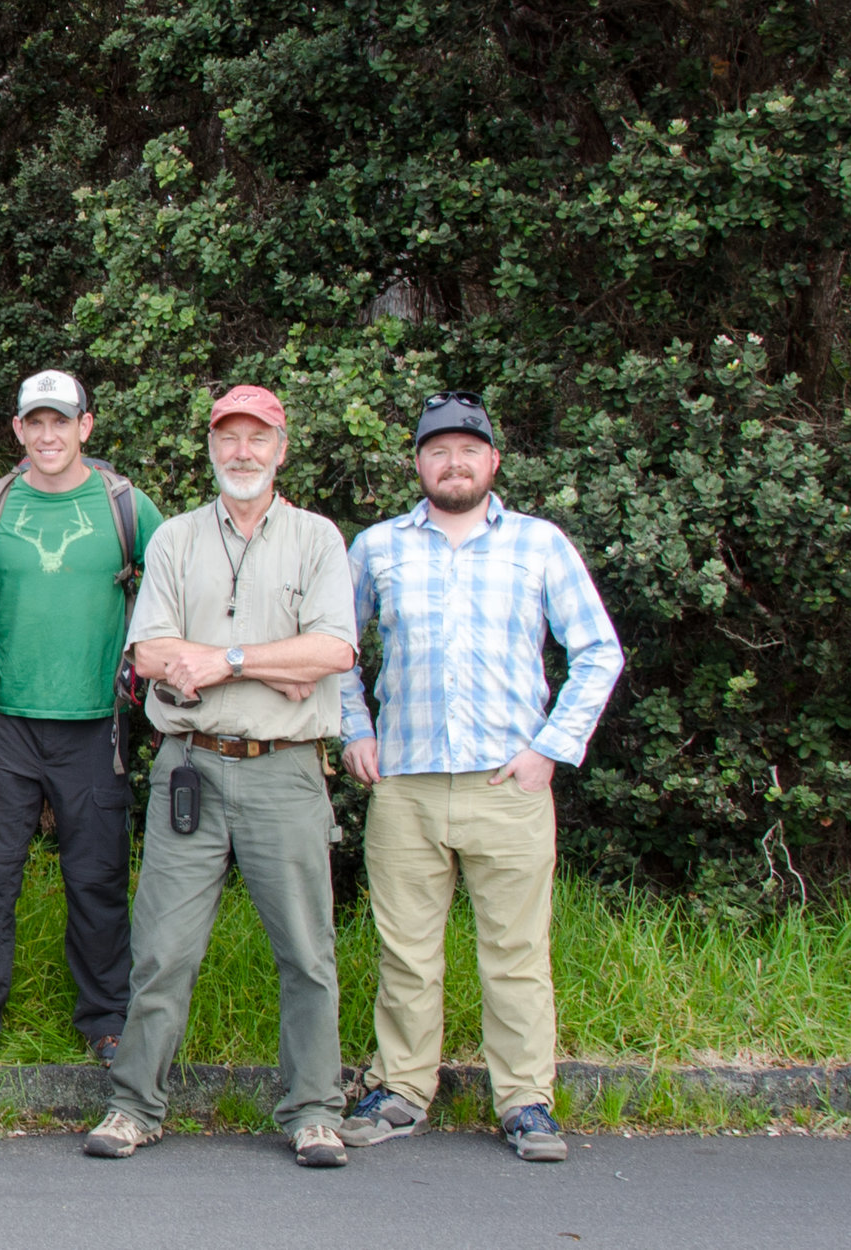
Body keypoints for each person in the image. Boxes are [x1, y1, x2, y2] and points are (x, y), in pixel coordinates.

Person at [335, 393, 624, 1163]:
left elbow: (598, 651)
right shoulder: (378, 547)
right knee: (405, 951)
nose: (453, 462)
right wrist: (356, 729)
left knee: (517, 952)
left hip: (509, 783)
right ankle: (400, 1088)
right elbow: (336, 647)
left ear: (493, 461)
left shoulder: (540, 545)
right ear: (417, 464)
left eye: (469, 450)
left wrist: (550, 749)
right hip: (407, 785)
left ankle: (527, 1102)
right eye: (438, 451)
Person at [82, 385, 359, 1168]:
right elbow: (149, 656)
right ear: (211, 447)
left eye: (257, 439)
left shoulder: (316, 539)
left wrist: (227, 660)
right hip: (190, 768)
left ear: (282, 448)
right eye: (229, 438)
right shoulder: (174, 539)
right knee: (164, 949)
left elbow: (334, 651)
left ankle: (312, 1111)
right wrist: (278, 663)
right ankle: (135, 1106)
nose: (243, 452)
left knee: (307, 952)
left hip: (286, 773)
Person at [0, 370, 163, 1066]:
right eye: (34, 422)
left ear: (85, 427)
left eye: (60, 422)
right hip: (4, 721)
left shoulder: (128, 506)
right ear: (17, 429)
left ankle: (105, 1019)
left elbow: (174, 589)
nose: (47, 435)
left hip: (97, 723)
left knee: (96, 879)